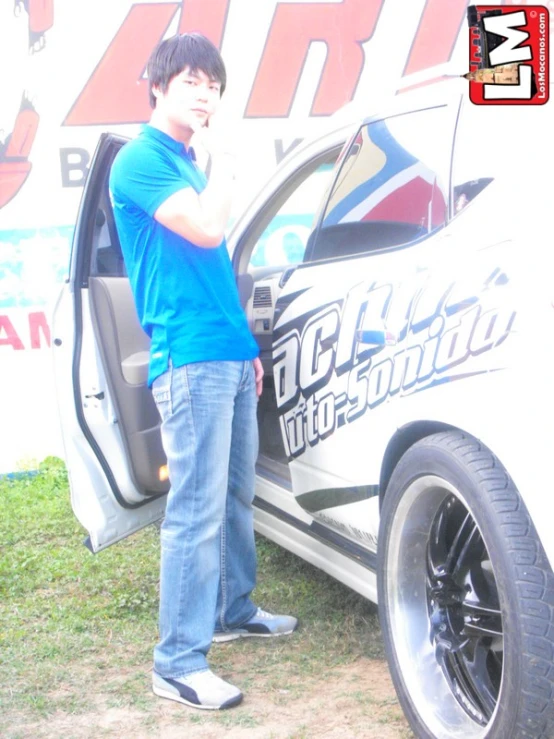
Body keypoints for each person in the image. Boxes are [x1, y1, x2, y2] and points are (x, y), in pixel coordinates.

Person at [109, 32, 297, 712]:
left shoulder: (189, 161)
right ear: (157, 85)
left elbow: (214, 270)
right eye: (189, 79)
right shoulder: (142, 160)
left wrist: (248, 348)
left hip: (226, 349)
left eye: (212, 83)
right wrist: (223, 163)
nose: (204, 92)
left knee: (235, 496)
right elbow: (207, 232)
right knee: (194, 511)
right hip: (187, 357)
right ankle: (178, 661)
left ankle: (232, 609)